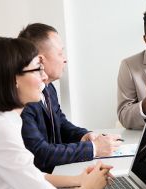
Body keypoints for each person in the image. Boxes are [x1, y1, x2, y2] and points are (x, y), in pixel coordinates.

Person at [0, 37, 112, 189]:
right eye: (38, 69)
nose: (45, 77)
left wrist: (78, 180)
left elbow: (30, 175)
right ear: (13, 79)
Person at [19, 23, 122, 173]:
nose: (65, 59)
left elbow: (60, 122)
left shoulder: (48, 87)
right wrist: (94, 148)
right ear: (40, 60)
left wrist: (84, 136)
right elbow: (40, 153)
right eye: (60, 53)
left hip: (57, 173)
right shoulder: (24, 99)